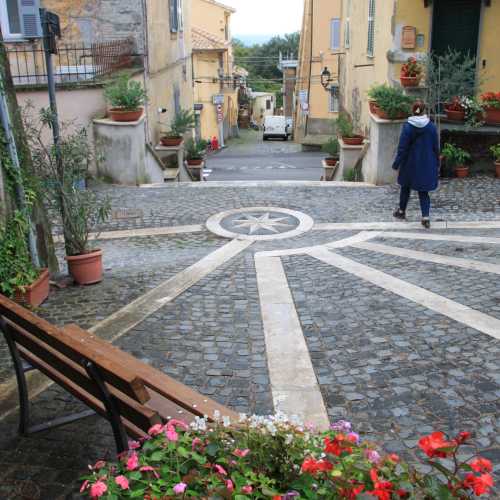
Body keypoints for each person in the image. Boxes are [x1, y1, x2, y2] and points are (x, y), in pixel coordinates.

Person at [392, 102, 439, 228]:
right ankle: (425, 217)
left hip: (409, 164)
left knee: (405, 187)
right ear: (424, 111)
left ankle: (401, 211)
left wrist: (396, 163)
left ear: (413, 111)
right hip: (426, 163)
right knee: (423, 191)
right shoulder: (431, 127)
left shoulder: (408, 127)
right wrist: (437, 163)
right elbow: (436, 147)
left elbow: (402, 148)